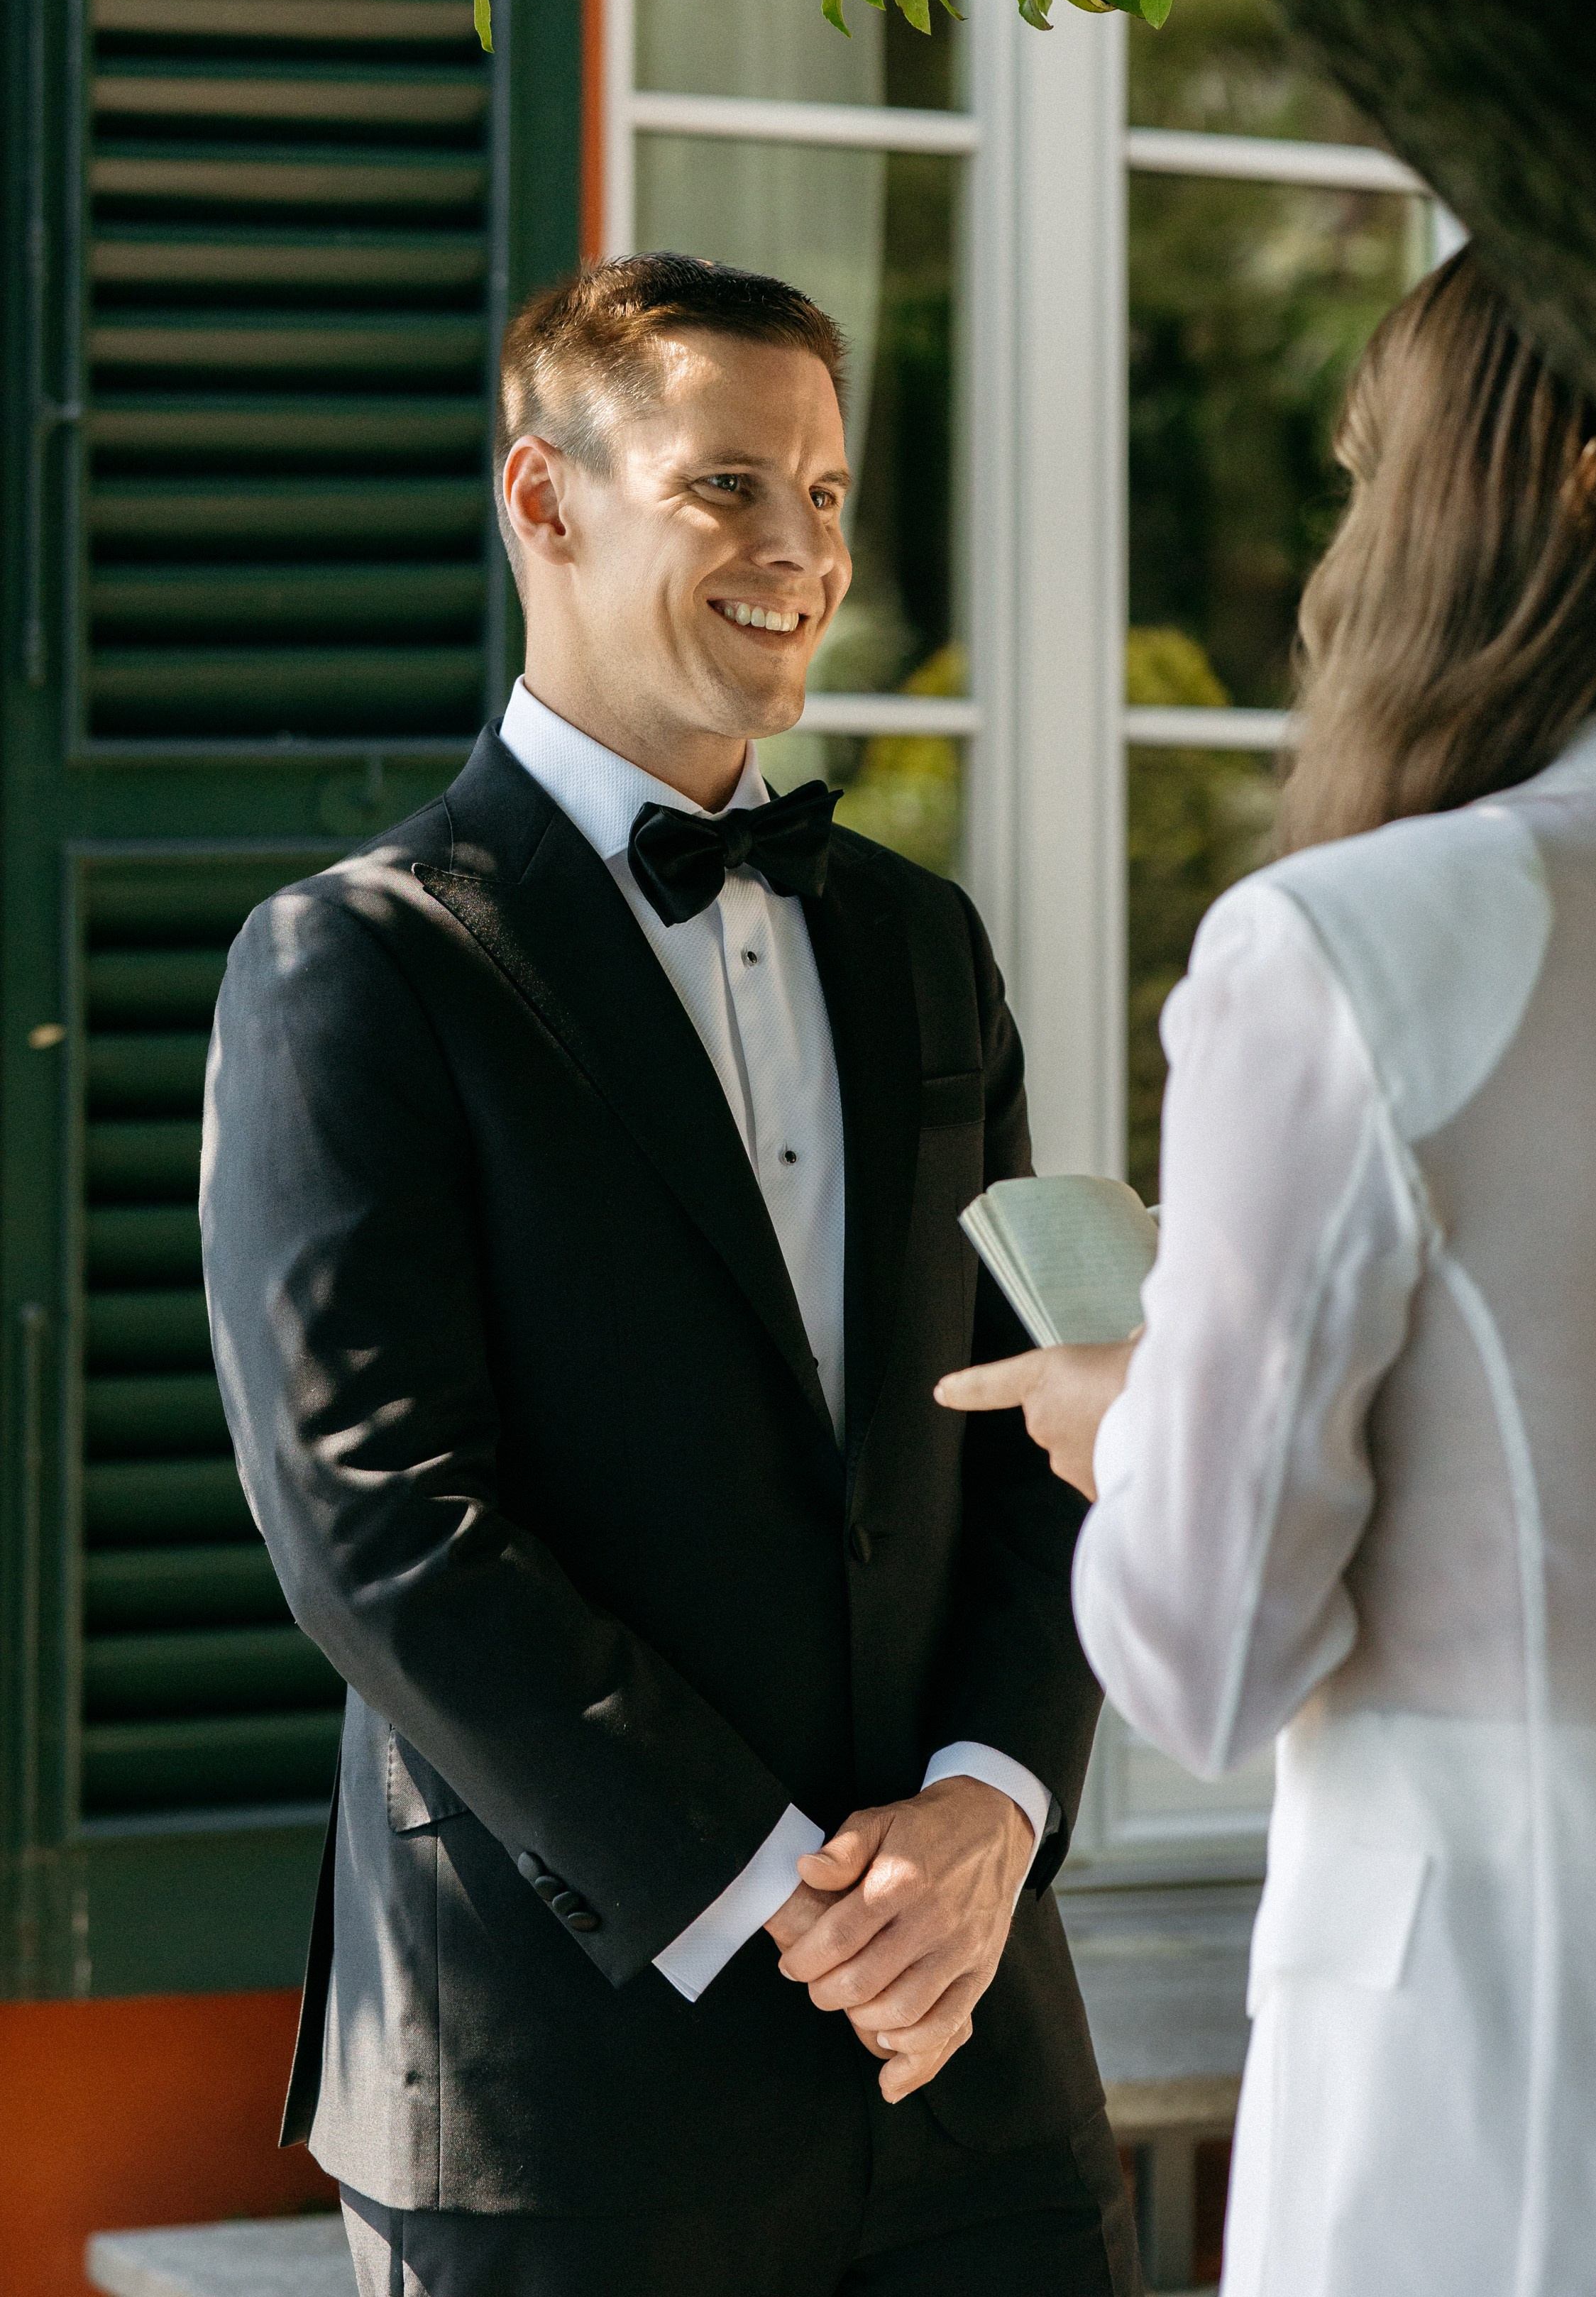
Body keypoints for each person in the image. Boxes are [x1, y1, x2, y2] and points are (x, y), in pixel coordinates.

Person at [201, 254, 1137, 2297]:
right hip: (567, 2082)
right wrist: (781, 1896)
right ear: (545, 503)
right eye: (729, 487)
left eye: (827, 490)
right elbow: (378, 1527)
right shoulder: (352, 967)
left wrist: (991, 1807)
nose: (802, 550)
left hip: (972, 2076)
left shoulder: (921, 943)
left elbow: (1054, 1414)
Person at [940, 245, 1596, 2296]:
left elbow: (1208, 1654)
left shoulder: (1349, 947)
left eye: (1366, 481)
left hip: (1499, 2053)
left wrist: (1129, 1417)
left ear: (1468, 514)